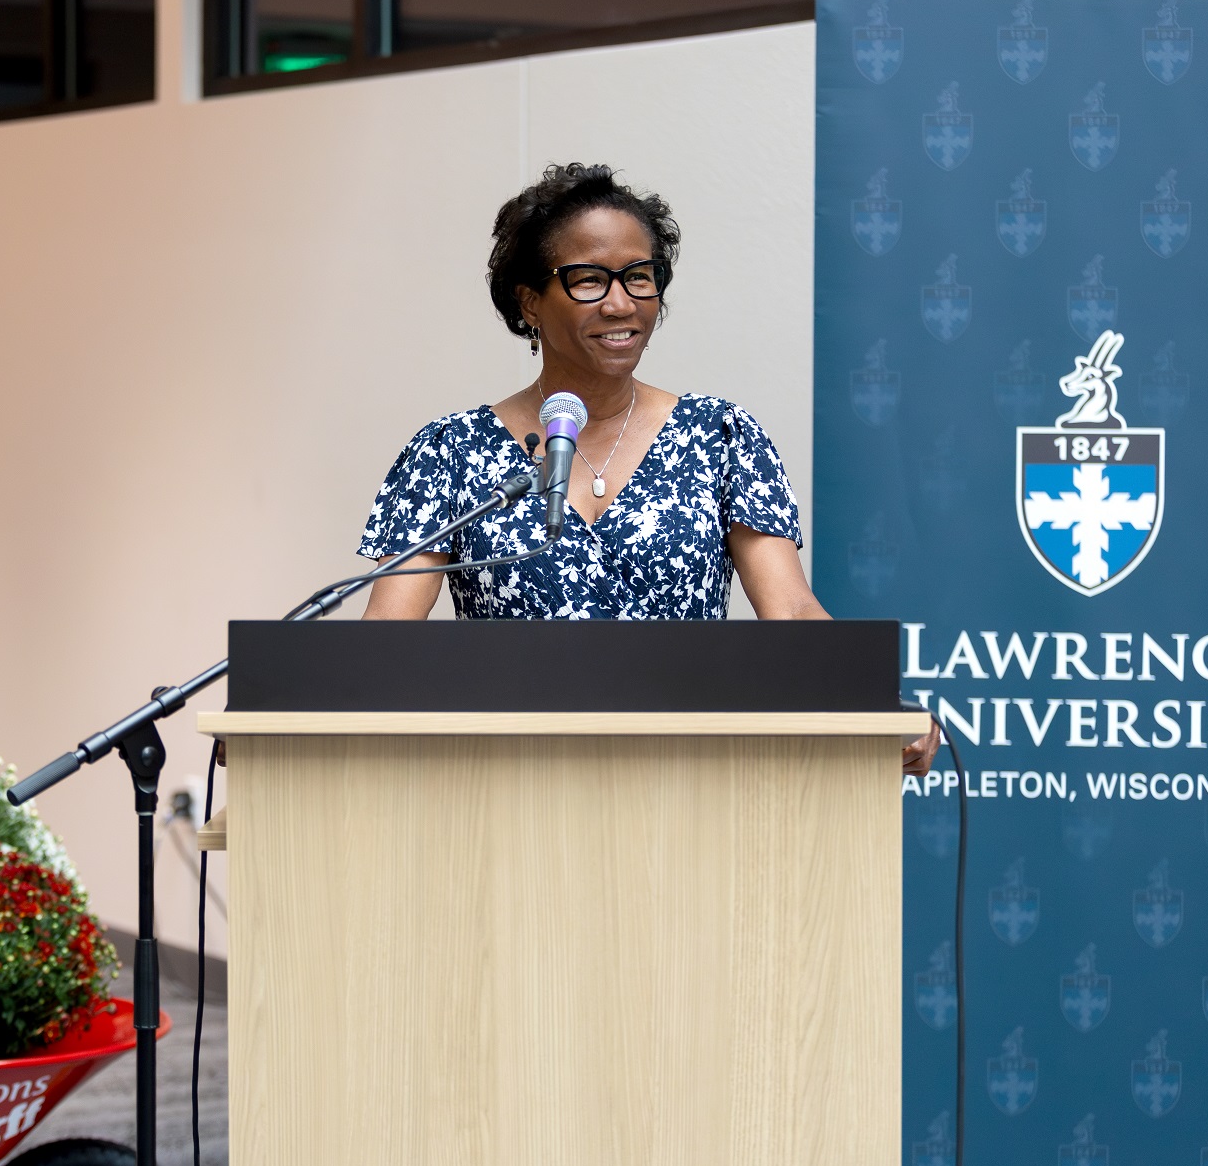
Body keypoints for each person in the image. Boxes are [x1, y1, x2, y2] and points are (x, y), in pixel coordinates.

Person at [358, 163, 938, 773]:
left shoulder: (719, 435)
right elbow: (390, 637)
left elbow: (791, 611)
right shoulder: (449, 451)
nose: (620, 303)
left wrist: (873, 699)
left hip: (690, 783)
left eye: (639, 277)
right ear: (529, 302)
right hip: (507, 790)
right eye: (587, 280)